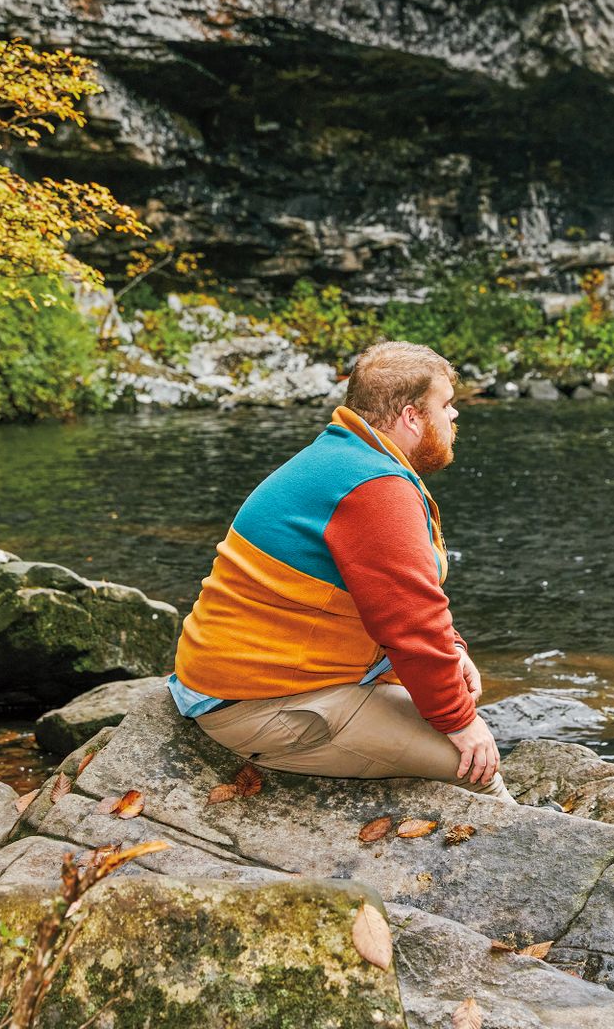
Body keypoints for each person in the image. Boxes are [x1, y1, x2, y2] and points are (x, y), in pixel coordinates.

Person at [168, 340, 512, 800]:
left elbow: (393, 598)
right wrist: (460, 723)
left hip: (241, 678)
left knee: (451, 705)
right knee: (474, 767)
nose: (454, 417)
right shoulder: (375, 489)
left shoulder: (344, 455)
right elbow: (409, 623)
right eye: (446, 405)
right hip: (255, 705)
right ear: (412, 417)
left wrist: (451, 647)